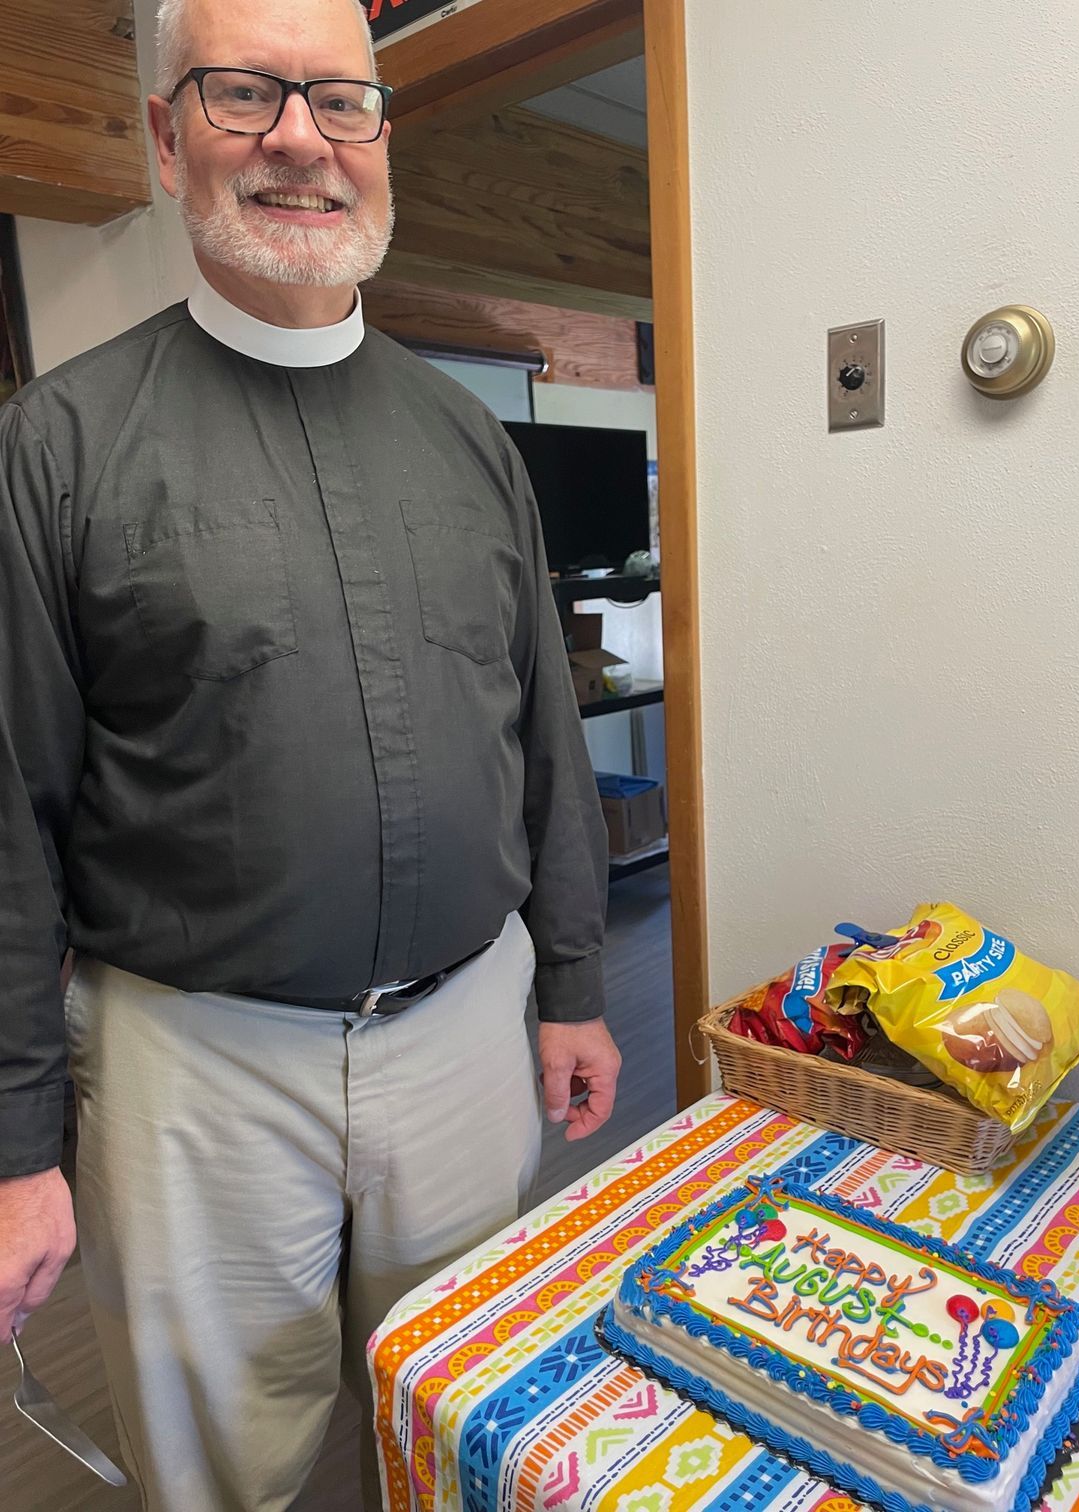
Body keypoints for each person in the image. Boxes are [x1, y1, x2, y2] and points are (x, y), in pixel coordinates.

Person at [0, 0, 621, 1504]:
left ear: (381, 137)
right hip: (190, 1069)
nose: (298, 138)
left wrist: (578, 986)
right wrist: (19, 1142)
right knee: (225, 1469)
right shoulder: (59, 446)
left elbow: (538, 725)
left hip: (471, 1036)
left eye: (339, 99)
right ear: (164, 137)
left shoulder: (468, 442)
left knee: (465, 1416)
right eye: (242, 93)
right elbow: (9, 815)